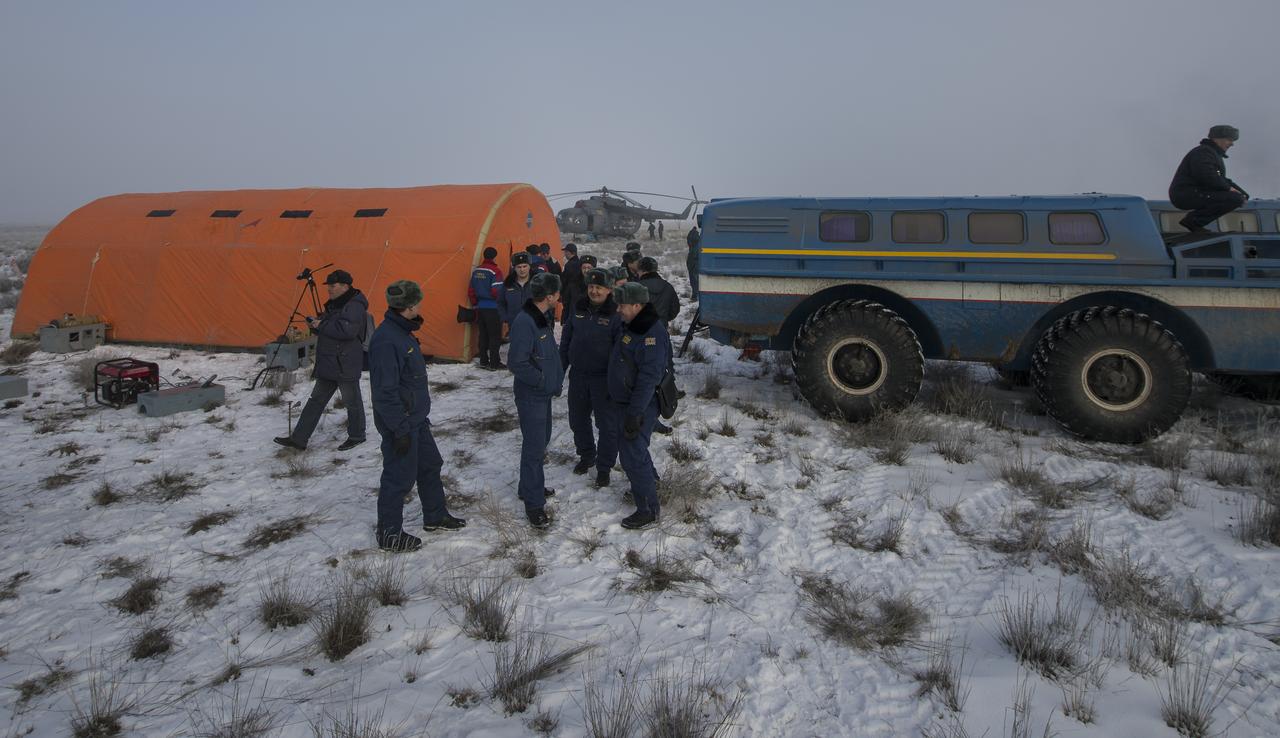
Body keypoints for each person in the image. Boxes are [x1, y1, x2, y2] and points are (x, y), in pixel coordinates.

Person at [368, 280, 466, 552]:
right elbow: (384, 392)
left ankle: (435, 516)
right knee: (398, 477)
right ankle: (389, 534)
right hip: (401, 423)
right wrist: (399, 429)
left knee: (430, 465)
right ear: (410, 306)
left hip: (416, 419)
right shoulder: (388, 340)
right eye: (418, 303)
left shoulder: (403, 332)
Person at [274, 269, 369, 452]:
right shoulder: (336, 304)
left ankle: (357, 435)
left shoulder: (355, 305)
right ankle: (299, 439)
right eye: (328, 286)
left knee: (352, 402)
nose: (329, 290)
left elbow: (347, 331)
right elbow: (333, 327)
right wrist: (317, 325)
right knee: (316, 400)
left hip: (345, 361)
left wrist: (322, 324)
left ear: (345, 286)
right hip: (330, 361)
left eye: (332, 286)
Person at [607, 282, 671, 530]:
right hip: (627, 402)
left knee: (632, 455)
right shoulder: (632, 325)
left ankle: (647, 509)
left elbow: (648, 378)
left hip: (639, 405)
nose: (618, 310)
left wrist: (635, 414)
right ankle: (651, 483)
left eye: (622, 305)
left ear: (636, 305)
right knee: (635, 451)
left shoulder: (650, 333)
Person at [508, 272, 565, 529]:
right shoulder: (525, 321)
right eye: (557, 294)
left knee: (540, 442)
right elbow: (517, 362)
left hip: (542, 395)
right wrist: (543, 381)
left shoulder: (540, 316)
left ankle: (528, 486)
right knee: (534, 449)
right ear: (550, 296)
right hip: (533, 395)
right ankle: (533, 503)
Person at [560, 268, 622, 485]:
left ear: (609, 289)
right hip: (578, 375)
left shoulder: (616, 314)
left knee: (607, 426)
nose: (594, 291)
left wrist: (617, 381)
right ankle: (587, 455)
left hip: (603, 380)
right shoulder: (578, 307)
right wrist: (561, 368)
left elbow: (620, 352)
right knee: (577, 420)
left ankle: (604, 467)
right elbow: (567, 338)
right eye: (591, 287)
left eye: (599, 287)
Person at [1169, 125, 1249, 233]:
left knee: (1237, 197)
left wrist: (1241, 192)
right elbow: (1207, 176)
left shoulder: (1211, 153)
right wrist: (1230, 190)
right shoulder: (1203, 152)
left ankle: (1195, 221)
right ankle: (1194, 221)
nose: (1232, 144)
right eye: (1229, 140)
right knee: (1234, 199)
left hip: (1196, 193)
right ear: (1217, 138)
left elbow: (1221, 179)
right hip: (1187, 194)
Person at [469, 247, 505, 370]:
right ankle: (494, 363)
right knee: (495, 336)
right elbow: (497, 291)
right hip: (493, 308)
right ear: (495, 257)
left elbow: (471, 290)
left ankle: (483, 361)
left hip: (481, 307)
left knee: (483, 335)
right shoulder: (495, 271)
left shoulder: (476, 271)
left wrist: (475, 303)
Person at [637, 257, 680, 325]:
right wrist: (663, 319)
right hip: (661, 329)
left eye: (638, 270)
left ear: (642, 271)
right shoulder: (667, 286)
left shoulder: (635, 288)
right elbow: (675, 309)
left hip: (639, 329)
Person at [499, 252, 534, 333]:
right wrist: (505, 318)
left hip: (534, 327)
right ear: (514, 268)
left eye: (524, 266)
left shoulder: (537, 282)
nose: (522, 270)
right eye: (519, 267)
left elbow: (546, 302)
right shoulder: (508, 284)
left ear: (529, 266)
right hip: (514, 326)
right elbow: (501, 302)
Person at [559, 243, 583, 325]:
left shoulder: (569, 265)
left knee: (567, 313)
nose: (565, 254)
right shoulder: (580, 263)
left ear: (570, 252)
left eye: (566, 252)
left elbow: (564, 280)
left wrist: (560, 292)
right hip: (579, 294)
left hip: (569, 293)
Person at [686, 224, 701, 297]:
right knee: (696, 280)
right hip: (696, 264)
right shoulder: (698, 243)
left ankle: (695, 295)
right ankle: (696, 294)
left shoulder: (693, 248)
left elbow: (692, 259)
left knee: (694, 280)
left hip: (694, 264)